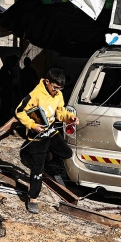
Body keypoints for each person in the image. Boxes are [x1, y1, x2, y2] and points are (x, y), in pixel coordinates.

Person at [15, 68, 78, 214]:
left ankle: (45, 156)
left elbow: (60, 112)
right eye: (54, 88)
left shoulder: (59, 95)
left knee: (67, 153)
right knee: (38, 170)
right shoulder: (35, 94)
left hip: (51, 131)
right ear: (47, 82)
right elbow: (19, 111)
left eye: (59, 89)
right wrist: (32, 125)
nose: (56, 91)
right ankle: (32, 199)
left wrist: (70, 118)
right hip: (36, 136)